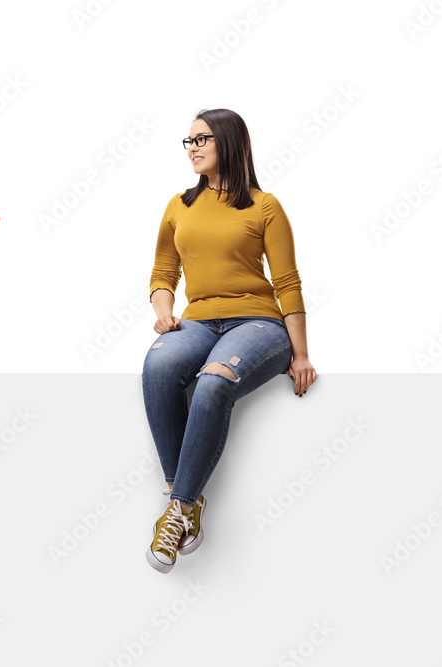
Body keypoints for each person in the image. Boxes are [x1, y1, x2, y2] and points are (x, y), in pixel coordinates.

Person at [142, 108, 317, 573]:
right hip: (198, 321)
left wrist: (300, 354)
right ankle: (188, 499)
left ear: (230, 144)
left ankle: (176, 511)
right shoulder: (179, 205)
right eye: (189, 140)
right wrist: (164, 313)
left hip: (258, 323)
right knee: (158, 365)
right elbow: (163, 272)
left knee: (214, 381)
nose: (193, 147)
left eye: (203, 139)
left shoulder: (264, 205)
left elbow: (287, 282)